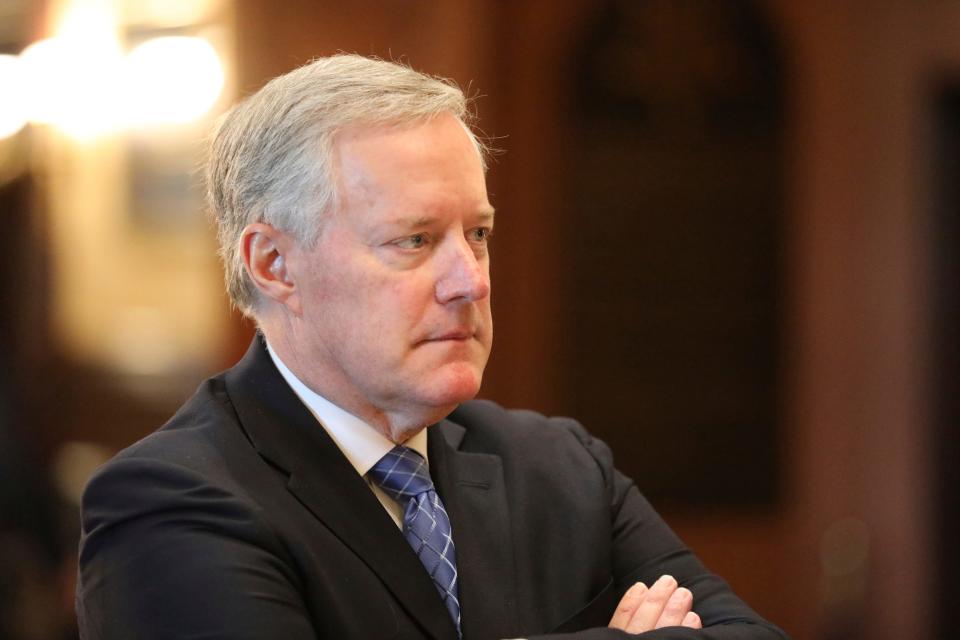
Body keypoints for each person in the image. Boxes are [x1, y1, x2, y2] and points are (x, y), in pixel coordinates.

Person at [76, 54, 788, 640]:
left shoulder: (558, 467)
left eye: (477, 234)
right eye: (414, 240)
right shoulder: (172, 500)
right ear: (274, 264)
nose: (468, 280)